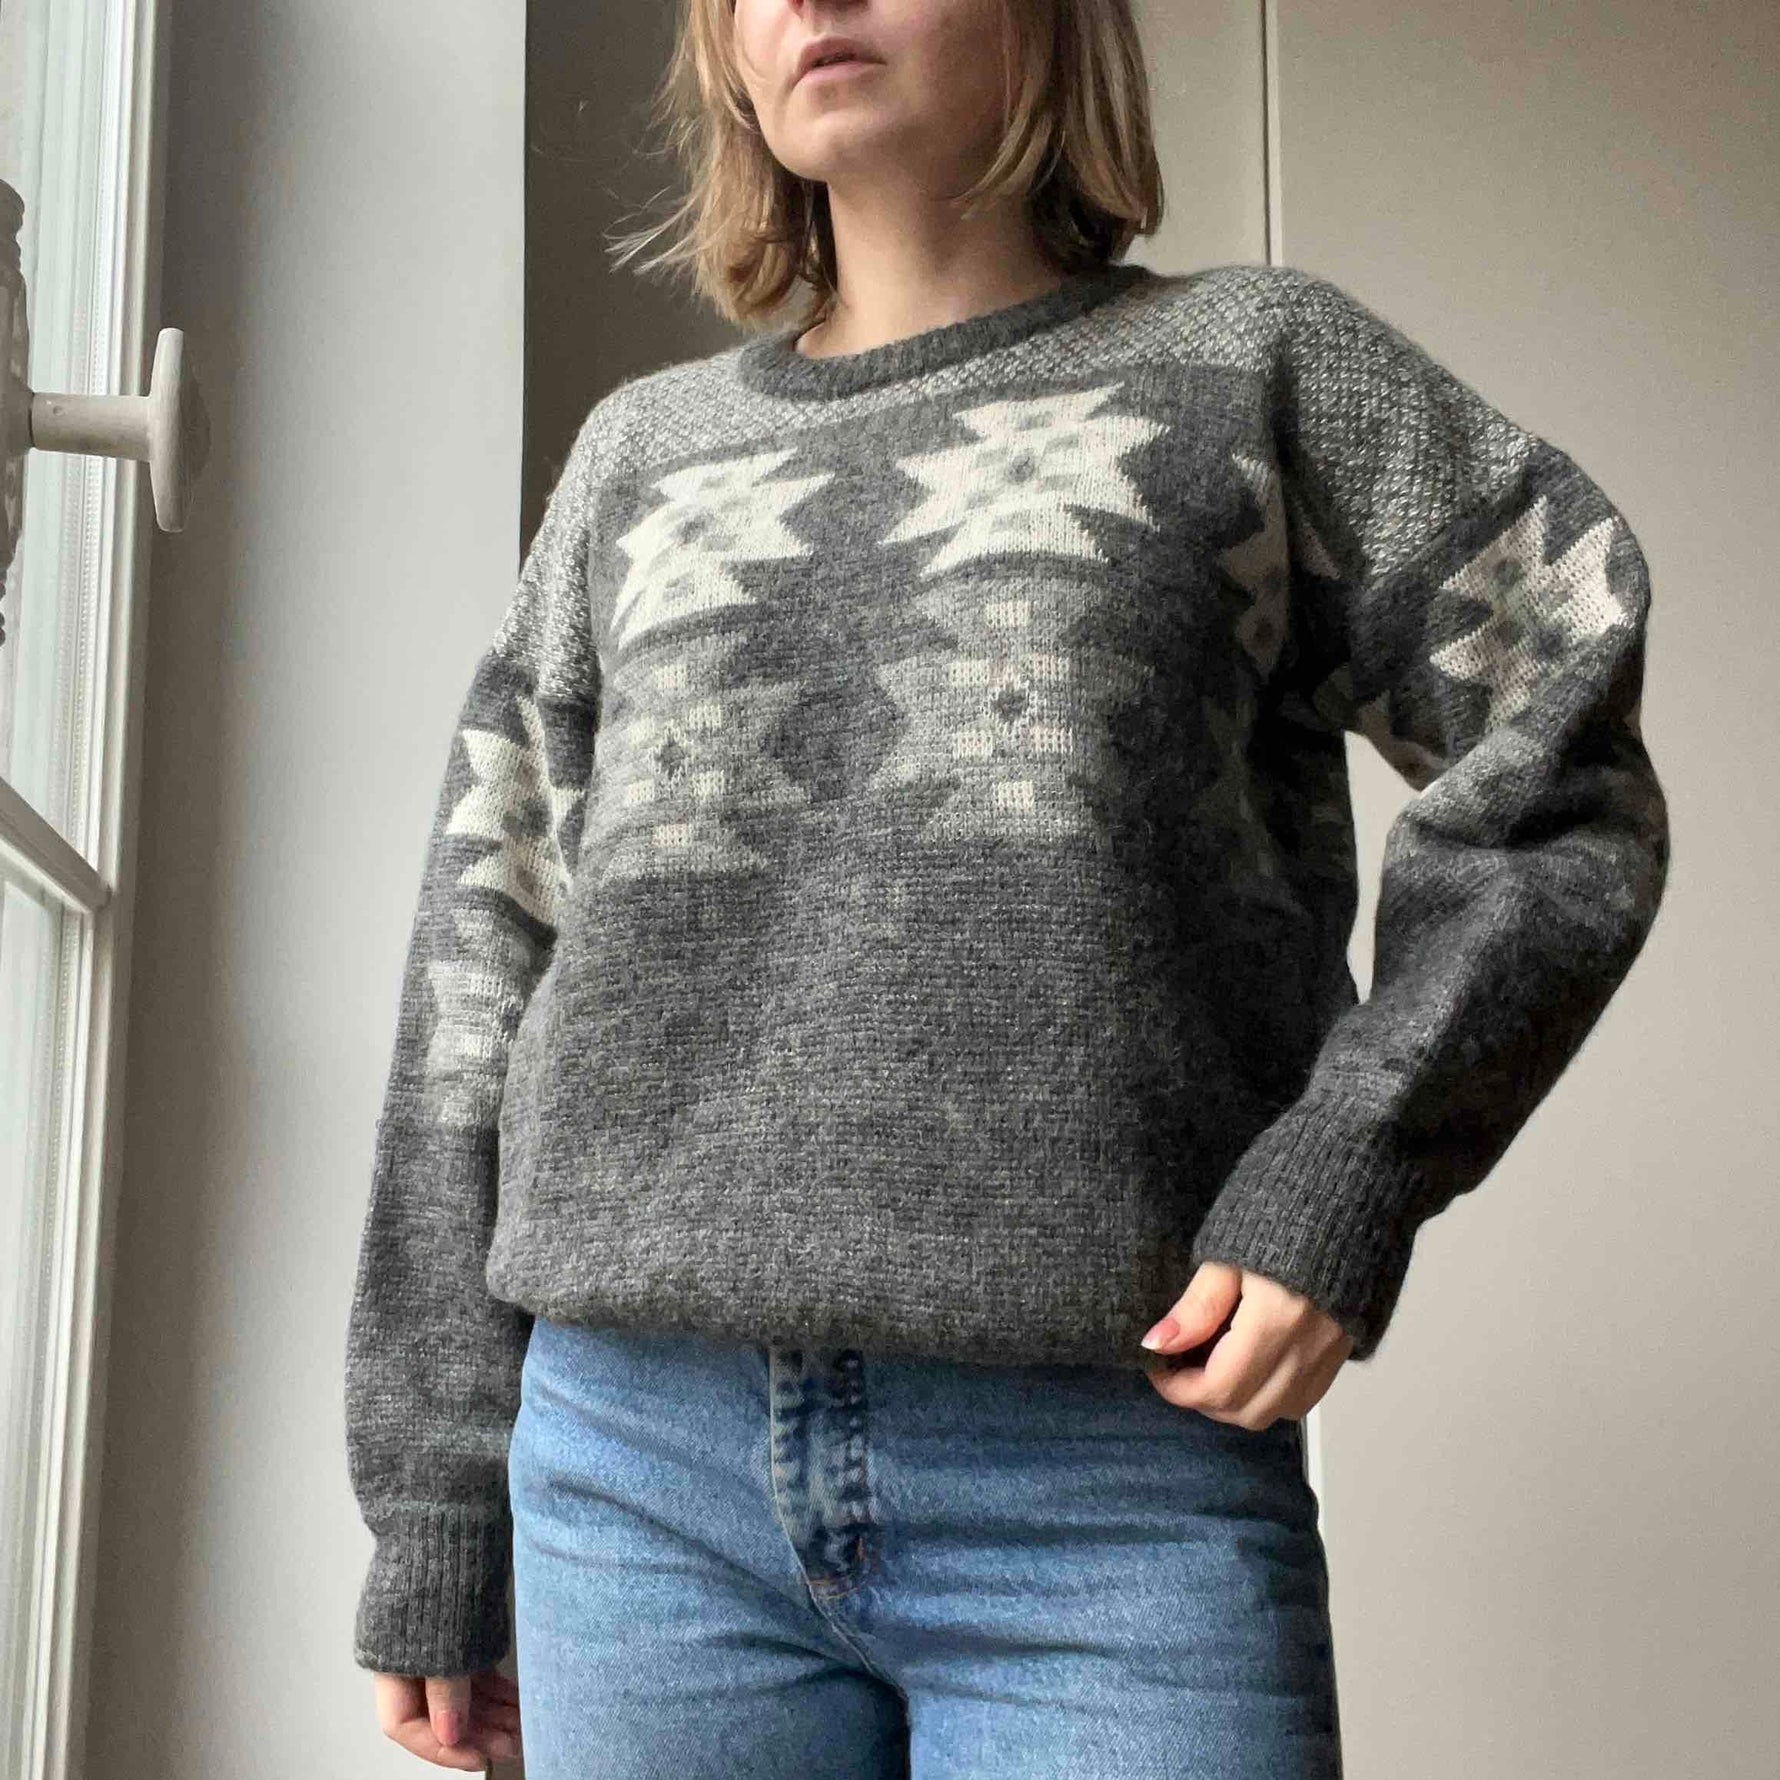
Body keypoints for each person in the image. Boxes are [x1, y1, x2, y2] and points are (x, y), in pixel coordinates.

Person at [343, 1, 1670, 1774]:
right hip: (633, 1479)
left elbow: (1557, 746)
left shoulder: (1259, 365)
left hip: (1112, 1481)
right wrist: (437, 1496)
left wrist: (1349, 1169)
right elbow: (484, 958)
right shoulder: (637, 458)